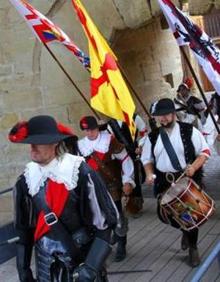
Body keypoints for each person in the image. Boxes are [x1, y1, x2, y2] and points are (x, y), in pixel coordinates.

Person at [8, 115, 118, 282]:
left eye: (39, 142)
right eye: (31, 142)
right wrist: (24, 272)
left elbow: (105, 226)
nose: (32, 148)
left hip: (82, 258)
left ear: (55, 143)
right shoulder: (26, 180)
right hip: (45, 263)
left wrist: (89, 270)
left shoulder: (79, 172)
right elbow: (24, 232)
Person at [141, 98, 210, 267]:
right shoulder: (153, 137)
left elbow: (205, 151)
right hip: (164, 181)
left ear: (173, 114)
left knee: (190, 216)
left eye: (165, 115)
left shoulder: (189, 131)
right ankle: (184, 231)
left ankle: (193, 248)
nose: (162, 119)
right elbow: (147, 159)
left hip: (187, 179)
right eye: (159, 116)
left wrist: (193, 167)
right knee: (164, 215)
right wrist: (149, 174)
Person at [77, 116, 135, 262]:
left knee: (118, 216)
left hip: (112, 186)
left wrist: (127, 180)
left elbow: (125, 159)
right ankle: (103, 245)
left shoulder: (109, 140)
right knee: (98, 219)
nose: (89, 133)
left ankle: (122, 244)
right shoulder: (80, 146)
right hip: (93, 189)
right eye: (86, 130)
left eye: (91, 129)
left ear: (97, 128)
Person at [107, 113, 147, 216]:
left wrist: (141, 146)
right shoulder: (111, 123)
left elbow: (144, 131)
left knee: (136, 178)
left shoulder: (134, 117)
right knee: (122, 179)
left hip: (134, 152)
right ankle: (127, 203)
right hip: (120, 155)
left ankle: (136, 205)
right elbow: (111, 139)